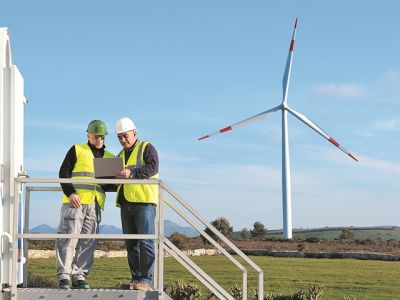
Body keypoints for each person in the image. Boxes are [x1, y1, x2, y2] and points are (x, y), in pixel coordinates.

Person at [56, 120, 114, 289]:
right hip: (75, 203)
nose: (99, 139)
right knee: (68, 239)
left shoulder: (109, 156)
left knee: (88, 242)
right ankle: (64, 276)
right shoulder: (77, 149)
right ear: (88, 135)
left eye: (102, 137)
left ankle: (79, 274)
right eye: (96, 136)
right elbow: (63, 173)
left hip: (95, 205)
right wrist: (70, 192)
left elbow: (110, 185)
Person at [114, 117, 159, 291]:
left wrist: (130, 173)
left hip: (144, 203)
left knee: (146, 242)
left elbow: (152, 168)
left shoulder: (147, 147)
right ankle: (136, 279)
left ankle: (146, 280)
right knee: (131, 244)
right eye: (119, 137)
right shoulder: (120, 155)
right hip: (125, 203)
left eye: (125, 136)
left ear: (134, 132)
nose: (123, 140)